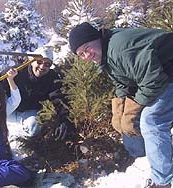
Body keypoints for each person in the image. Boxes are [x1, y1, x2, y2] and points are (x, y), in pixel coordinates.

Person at [69, 22, 173, 188]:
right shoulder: (107, 54)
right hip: (164, 76)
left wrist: (133, 108)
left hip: (167, 75)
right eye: (81, 54)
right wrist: (118, 110)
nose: (87, 56)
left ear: (96, 38)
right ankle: (146, 157)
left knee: (150, 120)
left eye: (87, 48)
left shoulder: (119, 49)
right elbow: (123, 83)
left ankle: (163, 182)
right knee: (129, 122)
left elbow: (154, 81)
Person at [0, 46, 71, 159]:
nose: (42, 66)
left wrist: (64, 120)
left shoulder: (51, 77)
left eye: (47, 64)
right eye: (39, 62)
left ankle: (20, 137)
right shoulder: (15, 72)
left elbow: (59, 99)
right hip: (9, 111)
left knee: (34, 127)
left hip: (28, 114)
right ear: (31, 61)